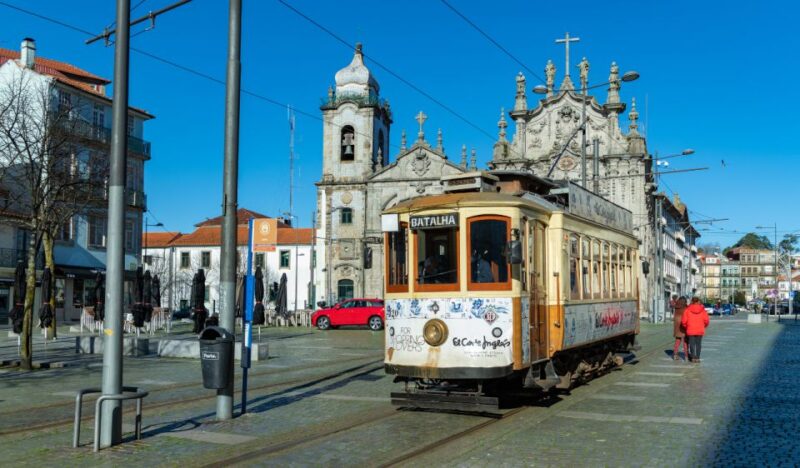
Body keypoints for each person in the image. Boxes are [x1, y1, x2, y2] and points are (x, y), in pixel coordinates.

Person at [681, 296, 710, 363]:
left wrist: (687, 326)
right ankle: (698, 357)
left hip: (690, 329)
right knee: (698, 344)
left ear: (692, 301)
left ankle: (693, 357)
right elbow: (706, 321)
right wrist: (703, 326)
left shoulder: (687, 310)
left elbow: (684, 321)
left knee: (692, 344)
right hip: (700, 329)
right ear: (698, 301)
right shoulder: (703, 310)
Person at [672, 296, 688, 361]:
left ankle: (675, 354)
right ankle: (686, 356)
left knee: (677, 340)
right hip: (684, 325)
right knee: (685, 341)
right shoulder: (686, 308)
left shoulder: (676, 307)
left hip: (677, 325)